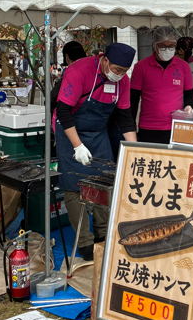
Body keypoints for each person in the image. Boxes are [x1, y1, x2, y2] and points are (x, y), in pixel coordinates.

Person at [55, 43, 137, 260]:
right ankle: (84, 241)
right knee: (74, 186)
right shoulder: (79, 71)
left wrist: (135, 150)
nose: (119, 75)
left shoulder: (123, 82)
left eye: (124, 72)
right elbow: (63, 110)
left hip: (98, 132)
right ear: (105, 59)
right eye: (117, 70)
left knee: (104, 181)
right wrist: (77, 146)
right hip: (69, 129)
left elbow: (125, 117)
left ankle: (102, 233)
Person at [130, 27, 193, 143]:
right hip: (148, 127)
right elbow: (133, 98)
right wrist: (131, 125)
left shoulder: (184, 66)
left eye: (171, 46)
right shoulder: (141, 67)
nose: (167, 50)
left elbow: (189, 92)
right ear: (154, 44)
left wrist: (189, 105)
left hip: (176, 125)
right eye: (163, 46)